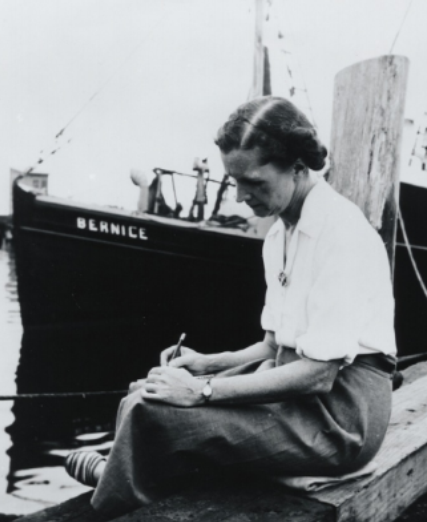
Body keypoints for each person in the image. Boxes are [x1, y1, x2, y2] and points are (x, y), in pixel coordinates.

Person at [65, 96, 397, 521]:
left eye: (254, 182)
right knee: (145, 391)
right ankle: (128, 475)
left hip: (342, 418)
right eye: (234, 181)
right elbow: (270, 347)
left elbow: (318, 374)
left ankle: (120, 493)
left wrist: (202, 392)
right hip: (298, 389)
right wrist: (203, 365)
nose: (241, 196)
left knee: (157, 416)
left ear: (298, 167)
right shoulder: (279, 235)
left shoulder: (341, 232)